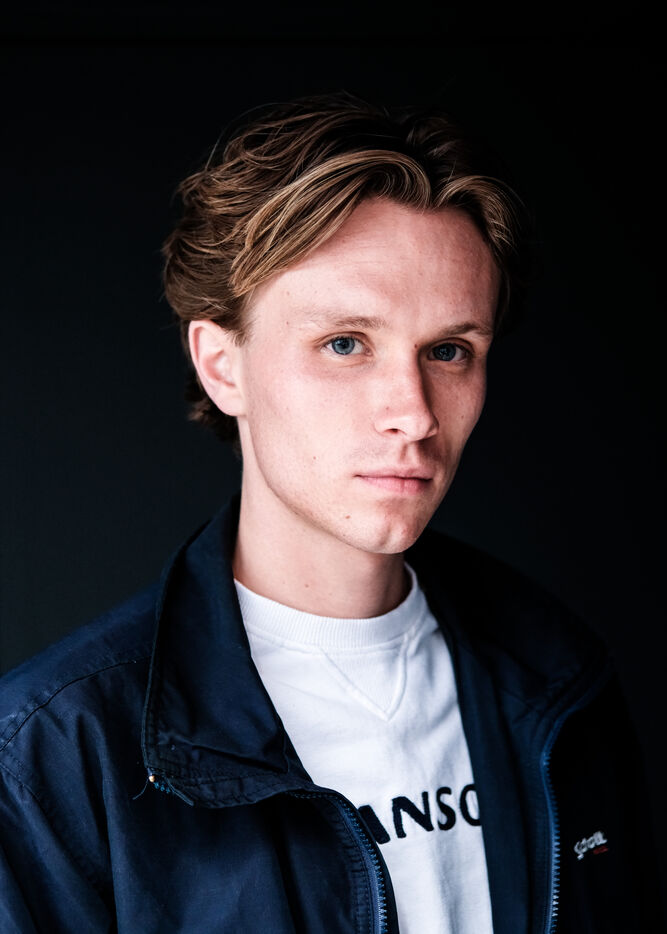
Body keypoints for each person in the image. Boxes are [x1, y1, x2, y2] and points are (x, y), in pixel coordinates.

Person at [0, 93, 661, 933]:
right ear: (221, 365)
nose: (413, 413)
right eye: (345, 344)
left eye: (448, 351)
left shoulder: (560, 678)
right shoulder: (56, 753)